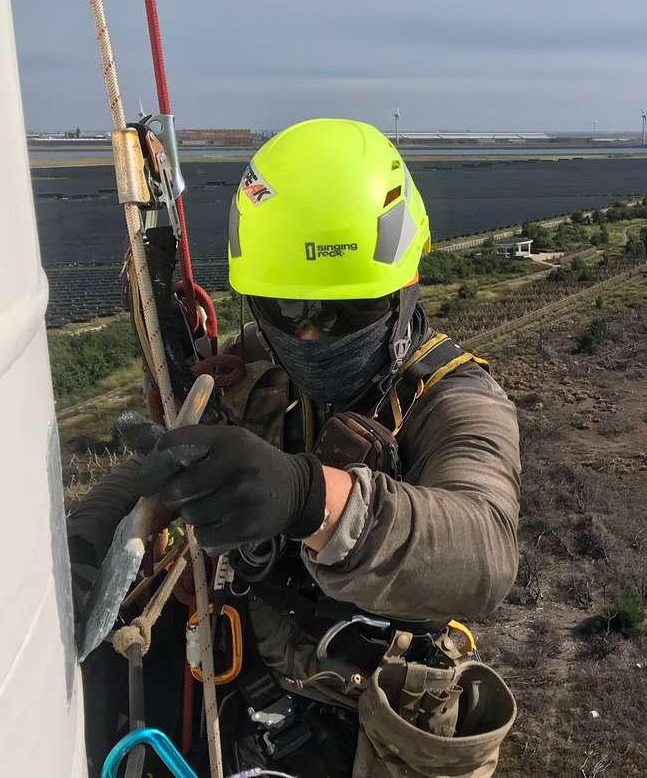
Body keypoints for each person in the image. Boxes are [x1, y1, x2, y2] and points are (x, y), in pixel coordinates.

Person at [67, 119, 521, 776]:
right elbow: (168, 469)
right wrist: (85, 543)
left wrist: (310, 499)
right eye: (283, 311)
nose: (309, 337)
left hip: (356, 731)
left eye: (341, 316)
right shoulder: (256, 373)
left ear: (404, 287)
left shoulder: (454, 401)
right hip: (230, 690)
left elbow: (483, 555)